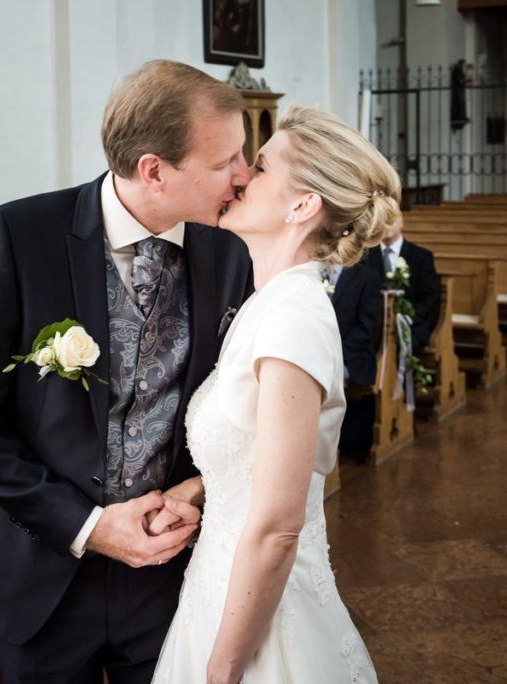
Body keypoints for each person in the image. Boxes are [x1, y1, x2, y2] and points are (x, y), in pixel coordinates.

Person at [0, 59, 254, 683]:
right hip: (40, 571)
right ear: (153, 170)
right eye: (224, 163)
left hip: (172, 570)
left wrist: (192, 494)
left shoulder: (230, 250)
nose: (242, 177)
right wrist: (87, 526)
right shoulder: (21, 234)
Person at [152, 105, 392, 683]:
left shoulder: (293, 319)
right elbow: (264, 450)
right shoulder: (269, 302)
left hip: (260, 617)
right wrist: (200, 486)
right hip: (222, 583)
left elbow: (281, 524)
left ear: (302, 205)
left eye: (258, 168)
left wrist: (225, 666)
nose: (239, 176)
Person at [364, 215, 441, 354]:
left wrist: (404, 317)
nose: (387, 225)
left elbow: (430, 298)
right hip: (373, 325)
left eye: (392, 220)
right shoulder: (366, 256)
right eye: (383, 221)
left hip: (410, 324)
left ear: (402, 223)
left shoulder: (421, 257)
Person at [331, 262, 381, 459]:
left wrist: (337, 354)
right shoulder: (314, 271)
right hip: (319, 349)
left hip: (351, 354)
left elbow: (367, 326)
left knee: (329, 375)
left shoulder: (366, 276)